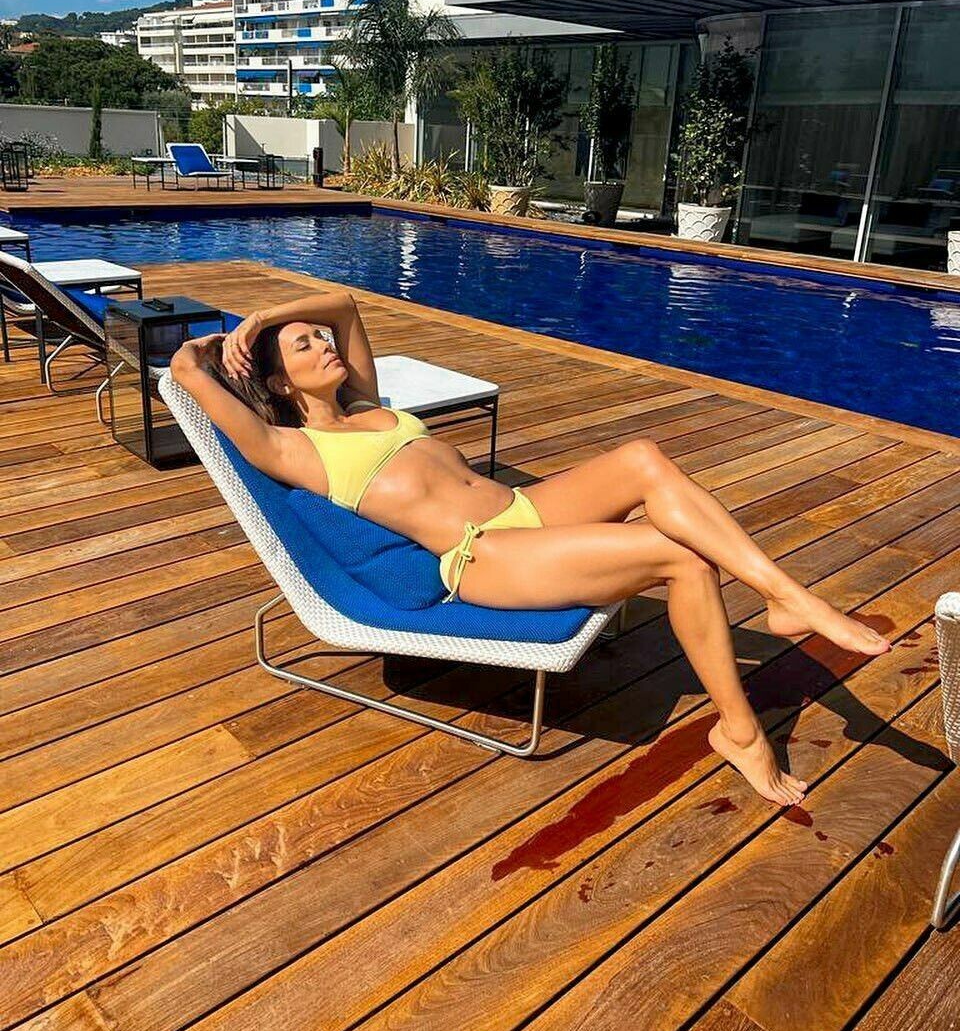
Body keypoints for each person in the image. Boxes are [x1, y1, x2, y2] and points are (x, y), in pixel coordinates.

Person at [170, 290, 891, 807]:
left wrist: (263, 318)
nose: (325, 344)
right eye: (304, 346)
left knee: (644, 457)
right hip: (484, 555)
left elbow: (346, 306)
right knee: (680, 557)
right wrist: (216, 351)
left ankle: (785, 597)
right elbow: (185, 372)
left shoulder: (368, 403)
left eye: (319, 339)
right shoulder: (293, 450)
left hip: (523, 510)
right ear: (278, 381)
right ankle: (741, 731)